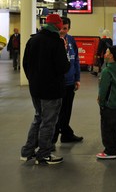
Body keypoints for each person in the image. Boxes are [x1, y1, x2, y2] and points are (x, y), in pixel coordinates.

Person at [21, 14, 70, 165]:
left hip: (35, 88)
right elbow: (63, 67)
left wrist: (33, 80)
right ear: (57, 25)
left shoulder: (33, 40)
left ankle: (27, 152)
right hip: (52, 90)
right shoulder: (57, 42)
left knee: (38, 118)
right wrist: (65, 52)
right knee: (48, 122)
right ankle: (44, 154)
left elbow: (25, 64)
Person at [52, 17, 83, 145]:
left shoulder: (71, 39)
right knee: (55, 113)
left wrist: (77, 78)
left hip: (70, 82)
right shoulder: (53, 41)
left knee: (66, 111)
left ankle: (66, 134)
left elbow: (75, 59)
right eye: (61, 28)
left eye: (65, 28)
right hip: (57, 83)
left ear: (69, 28)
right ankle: (51, 141)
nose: (62, 31)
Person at [96, 45, 116, 159]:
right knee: (115, 128)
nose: (105, 54)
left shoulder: (107, 71)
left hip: (108, 105)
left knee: (106, 128)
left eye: (107, 52)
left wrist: (101, 102)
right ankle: (115, 148)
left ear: (111, 55)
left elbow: (103, 90)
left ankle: (109, 151)